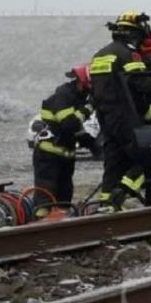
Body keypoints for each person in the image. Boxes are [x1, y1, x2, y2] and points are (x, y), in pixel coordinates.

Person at [89, 11, 151, 210]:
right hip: (124, 115)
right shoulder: (128, 53)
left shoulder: (99, 54)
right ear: (134, 34)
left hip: (105, 117)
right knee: (146, 158)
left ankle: (106, 204)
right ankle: (122, 194)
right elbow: (139, 82)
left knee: (114, 162)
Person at [32, 65, 93, 217]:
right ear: (84, 81)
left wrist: (91, 144)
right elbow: (69, 124)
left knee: (65, 195)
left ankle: (62, 222)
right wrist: (88, 109)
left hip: (65, 155)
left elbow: (74, 129)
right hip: (48, 155)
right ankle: (41, 224)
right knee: (45, 195)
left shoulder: (80, 97)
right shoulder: (64, 95)